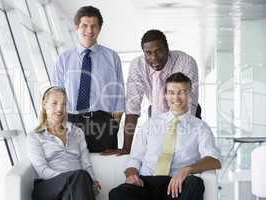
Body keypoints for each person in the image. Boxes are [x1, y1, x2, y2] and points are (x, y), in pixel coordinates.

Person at [109, 72, 221, 200]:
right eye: (172, 92)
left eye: (182, 92)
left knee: (195, 183)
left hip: (178, 183)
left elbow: (214, 160)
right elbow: (135, 159)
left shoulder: (201, 127)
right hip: (146, 183)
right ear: (166, 95)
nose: (176, 98)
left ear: (190, 94)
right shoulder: (150, 124)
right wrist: (132, 175)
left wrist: (187, 169)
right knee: (117, 193)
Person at [108, 30, 200, 155]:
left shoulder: (186, 62)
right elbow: (132, 107)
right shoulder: (137, 66)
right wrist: (126, 148)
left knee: (183, 154)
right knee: (156, 151)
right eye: (148, 53)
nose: (154, 58)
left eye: (159, 51)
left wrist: (180, 145)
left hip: (185, 111)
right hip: (156, 110)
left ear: (167, 49)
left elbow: (189, 105)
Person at [52, 6, 125, 153]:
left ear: (99, 28)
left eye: (94, 26)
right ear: (76, 28)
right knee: (74, 166)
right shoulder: (63, 59)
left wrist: (114, 124)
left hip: (103, 123)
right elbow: (56, 95)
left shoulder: (112, 57)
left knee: (105, 169)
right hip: (71, 122)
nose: (89, 30)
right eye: (84, 26)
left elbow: (119, 94)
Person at [27, 86, 101, 200]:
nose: (59, 109)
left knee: (73, 191)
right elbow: (42, 170)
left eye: (64, 104)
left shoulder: (76, 132)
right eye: (54, 103)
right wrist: (70, 178)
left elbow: (86, 162)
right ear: (44, 105)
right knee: (79, 177)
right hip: (48, 187)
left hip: (75, 187)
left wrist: (92, 180)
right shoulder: (35, 137)